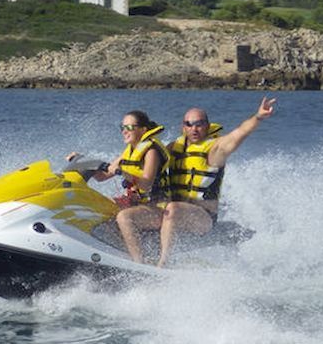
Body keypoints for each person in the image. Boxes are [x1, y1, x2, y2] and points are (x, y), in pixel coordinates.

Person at [157, 96, 276, 267]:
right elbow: (148, 157)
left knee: (172, 209)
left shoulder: (215, 150)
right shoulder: (174, 147)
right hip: (175, 214)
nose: (194, 128)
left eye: (199, 124)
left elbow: (239, 133)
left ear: (207, 126)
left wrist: (258, 116)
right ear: (183, 127)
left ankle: (163, 263)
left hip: (203, 217)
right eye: (189, 124)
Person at [71, 110, 171, 263]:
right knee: (95, 206)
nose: (124, 131)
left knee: (125, 217)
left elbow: (146, 183)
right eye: (122, 127)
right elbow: (101, 177)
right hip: (137, 204)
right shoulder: (129, 151)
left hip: (158, 208)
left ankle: (139, 264)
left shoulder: (151, 152)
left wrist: (124, 173)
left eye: (129, 127)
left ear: (143, 130)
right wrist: (81, 161)